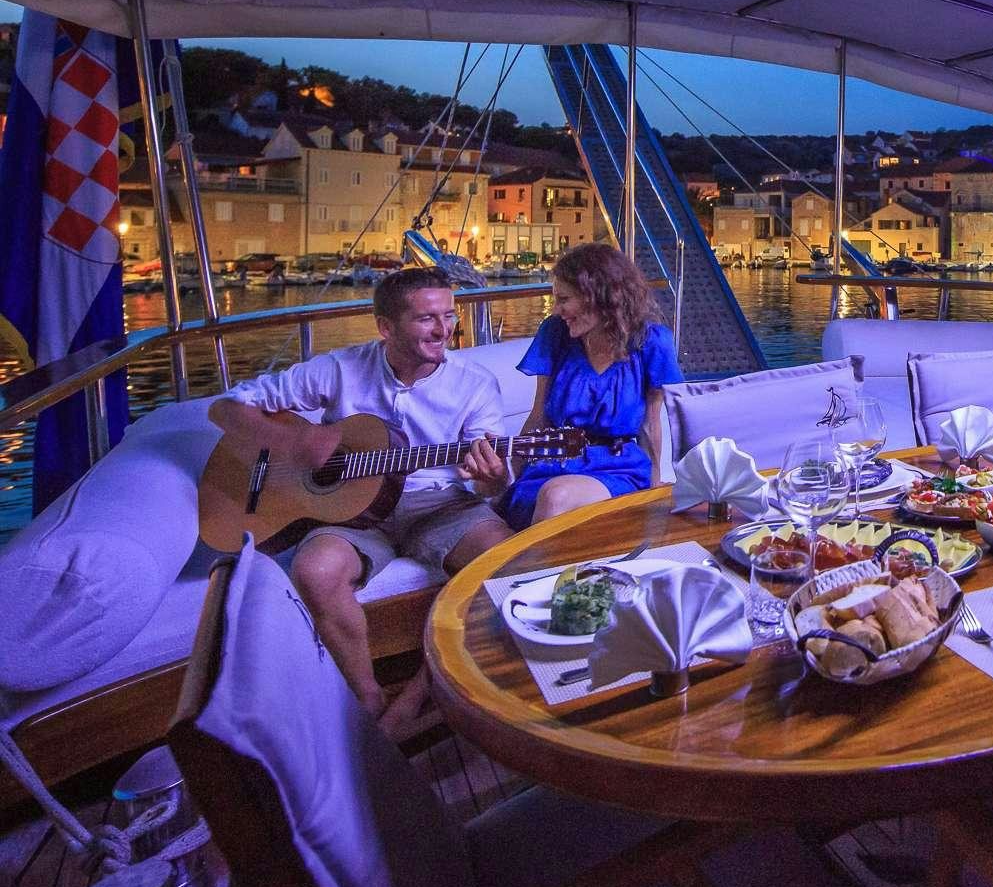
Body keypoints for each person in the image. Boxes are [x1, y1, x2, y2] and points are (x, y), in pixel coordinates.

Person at [207, 267, 512, 736]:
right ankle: (368, 698)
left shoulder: (474, 384)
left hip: (439, 504)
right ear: (386, 327)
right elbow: (226, 406)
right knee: (315, 570)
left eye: (449, 315)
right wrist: (294, 445)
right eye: (427, 318)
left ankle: (415, 698)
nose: (444, 329)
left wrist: (491, 481)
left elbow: (488, 482)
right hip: (354, 515)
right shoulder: (340, 368)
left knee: (508, 565)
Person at [478, 242, 683, 528]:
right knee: (544, 495)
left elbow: (650, 424)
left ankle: (532, 573)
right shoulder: (555, 334)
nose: (557, 309)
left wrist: (655, 484)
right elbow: (539, 418)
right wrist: (510, 477)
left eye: (564, 300)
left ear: (598, 297)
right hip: (552, 463)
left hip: (618, 468)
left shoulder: (651, 342)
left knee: (556, 496)